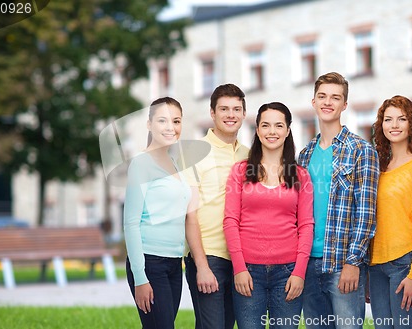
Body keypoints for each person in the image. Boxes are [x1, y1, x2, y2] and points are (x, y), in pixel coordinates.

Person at [297, 72, 379, 329]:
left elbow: (366, 212)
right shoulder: (304, 154)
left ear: (344, 105)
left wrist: (353, 262)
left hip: (342, 263)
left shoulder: (361, 150)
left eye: (335, 97)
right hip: (308, 264)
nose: (327, 102)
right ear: (313, 101)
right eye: (322, 96)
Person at [223, 102, 314, 329]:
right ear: (257, 130)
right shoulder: (240, 171)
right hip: (248, 271)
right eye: (265, 125)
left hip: (288, 273)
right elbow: (230, 221)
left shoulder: (301, 175)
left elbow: (306, 226)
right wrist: (239, 268)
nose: (272, 132)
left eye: (278, 125)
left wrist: (299, 272)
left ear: (288, 130)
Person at [183, 83, 249, 329]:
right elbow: (189, 216)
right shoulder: (194, 152)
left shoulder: (248, 154)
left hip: (240, 257)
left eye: (236, 109)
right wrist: (201, 266)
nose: (230, 115)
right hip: (209, 256)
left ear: (243, 114)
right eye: (224, 109)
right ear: (212, 113)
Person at [368, 95, 412, 328]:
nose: (394, 125)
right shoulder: (377, 166)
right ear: (381, 125)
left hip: (405, 265)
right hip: (375, 267)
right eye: (388, 120)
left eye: (401, 119)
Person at [123, 97, 193, 329]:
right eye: (162, 120)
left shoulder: (174, 163)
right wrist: (140, 277)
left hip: (174, 263)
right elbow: (131, 223)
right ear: (149, 124)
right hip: (150, 263)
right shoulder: (141, 163)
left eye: (176, 121)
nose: (170, 127)